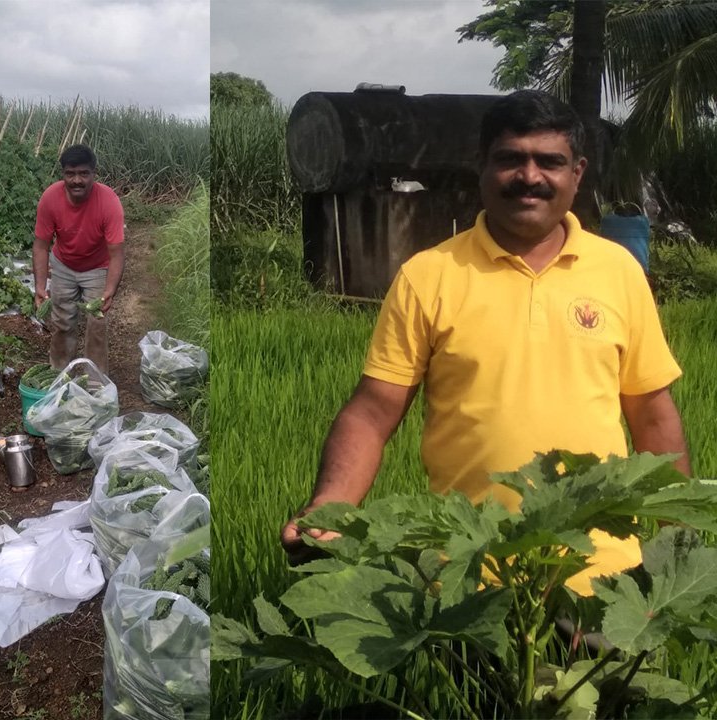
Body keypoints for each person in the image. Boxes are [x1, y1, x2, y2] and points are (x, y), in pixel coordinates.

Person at [281, 90, 690, 597]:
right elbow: (371, 414)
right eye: (510, 159)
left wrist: (680, 536)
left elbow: (652, 412)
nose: (530, 176)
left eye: (550, 161)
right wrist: (330, 504)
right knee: (468, 681)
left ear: (577, 173)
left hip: (600, 576)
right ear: (482, 167)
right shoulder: (430, 276)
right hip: (467, 576)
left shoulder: (619, 272)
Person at [32, 143, 126, 372]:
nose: (77, 180)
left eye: (84, 173)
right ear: (63, 174)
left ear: (94, 173)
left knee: (97, 324)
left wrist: (110, 291)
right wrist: (40, 287)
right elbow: (41, 246)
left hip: (97, 266)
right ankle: (60, 374)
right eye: (70, 174)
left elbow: (116, 253)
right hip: (63, 265)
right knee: (62, 323)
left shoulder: (108, 201)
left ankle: (94, 380)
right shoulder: (50, 198)